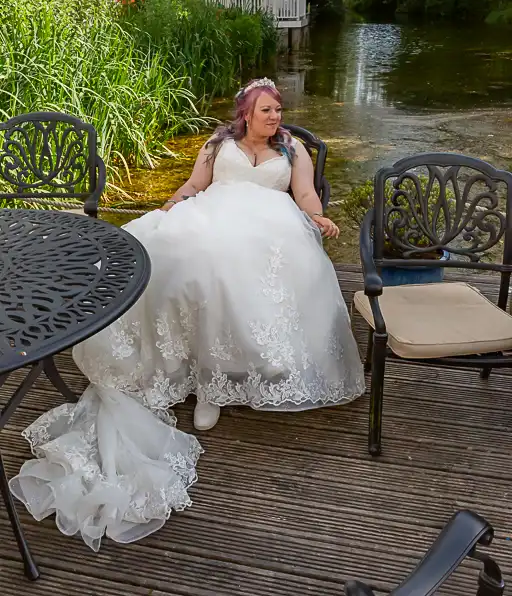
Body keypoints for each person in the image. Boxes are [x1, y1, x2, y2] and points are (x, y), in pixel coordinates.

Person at [10, 78, 365, 551]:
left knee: (237, 269)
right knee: (177, 259)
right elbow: (196, 185)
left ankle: (228, 377)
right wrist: (171, 206)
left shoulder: (293, 149)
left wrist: (317, 216)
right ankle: (192, 373)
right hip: (211, 218)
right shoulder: (219, 144)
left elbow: (304, 196)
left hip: (270, 229)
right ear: (245, 114)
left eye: (278, 109)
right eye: (266, 110)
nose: (275, 117)